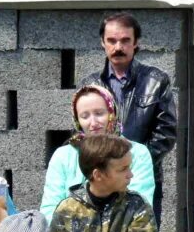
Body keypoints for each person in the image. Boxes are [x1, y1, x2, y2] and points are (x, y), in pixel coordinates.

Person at [80, 12, 176, 221]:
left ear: (136, 43)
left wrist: (132, 163)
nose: (118, 47)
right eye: (112, 41)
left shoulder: (156, 81)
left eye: (125, 41)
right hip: (101, 179)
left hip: (142, 176)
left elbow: (166, 133)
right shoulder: (91, 85)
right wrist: (106, 165)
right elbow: (81, 130)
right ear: (103, 43)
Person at [39, 84, 155, 222]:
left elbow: (139, 208)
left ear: (112, 112)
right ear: (77, 120)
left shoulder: (137, 153)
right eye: (84, 116)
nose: (93, 123)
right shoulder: (63, 156)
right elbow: (49, 211)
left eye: (99, 113)